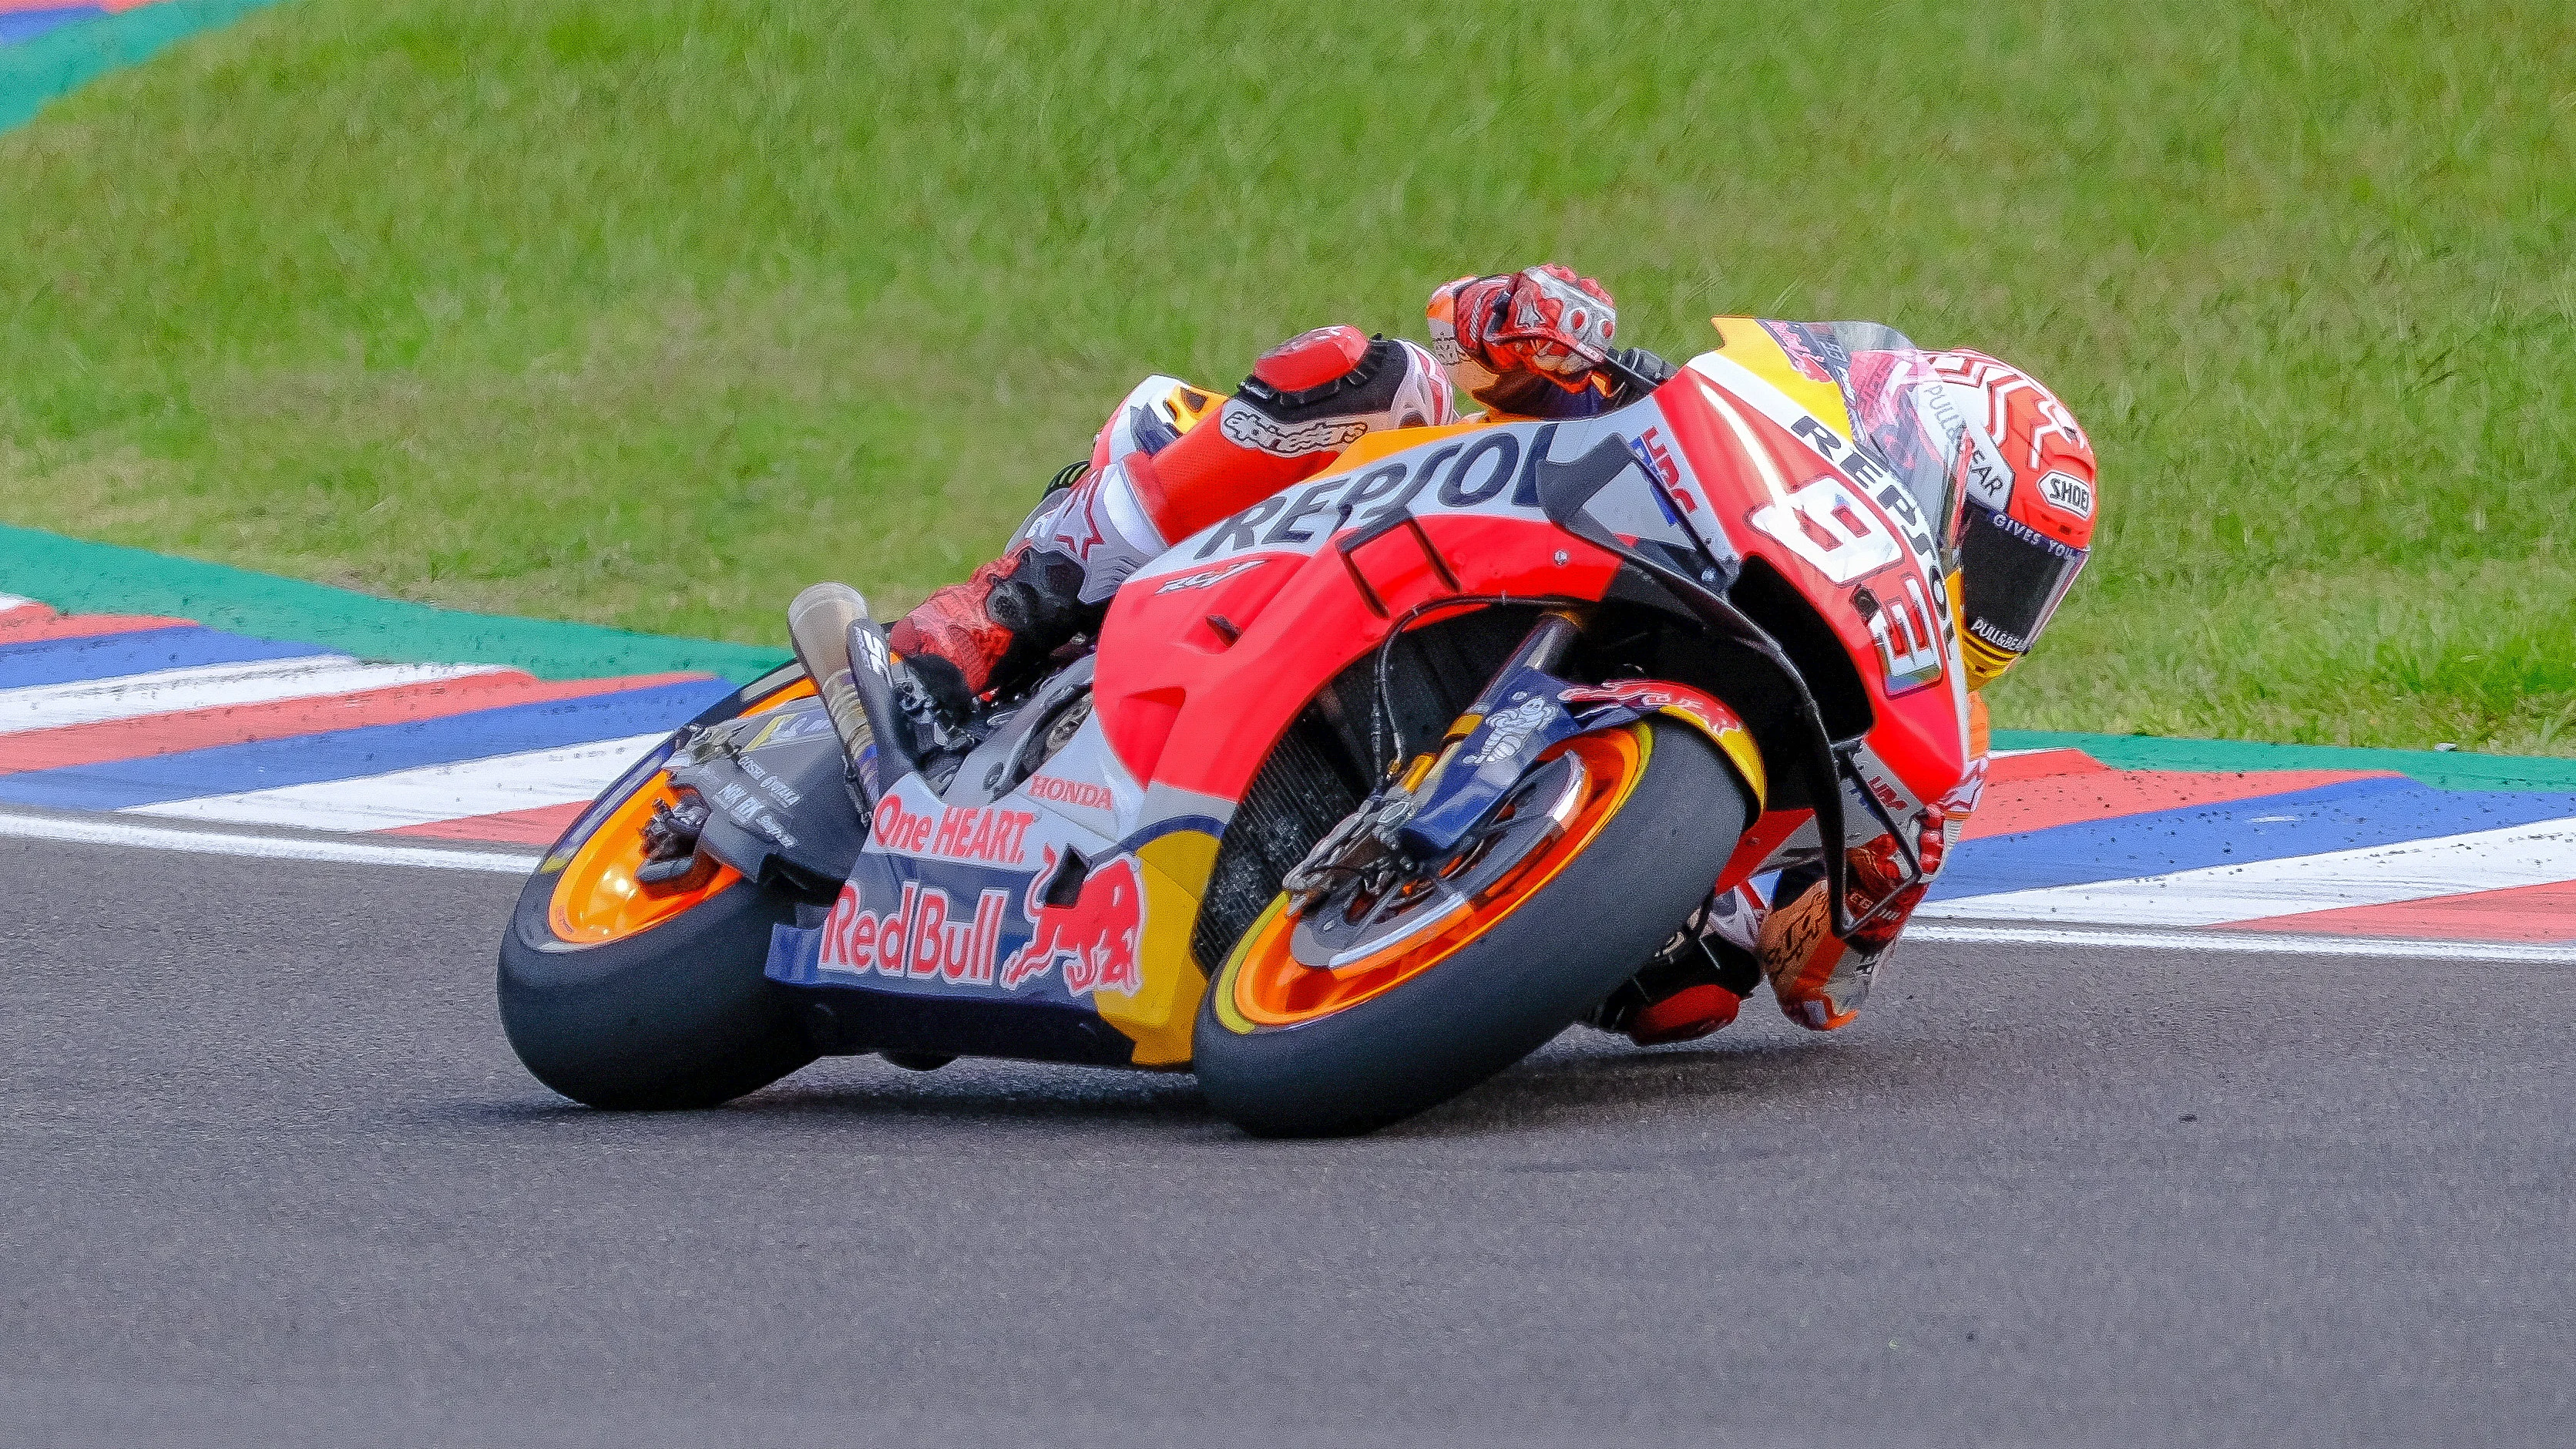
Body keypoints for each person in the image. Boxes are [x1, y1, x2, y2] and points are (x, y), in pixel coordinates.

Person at [879, 265, 2098, 1046]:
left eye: (2025, 590)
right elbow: (1467, 334)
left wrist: (1867, 907)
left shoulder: (1933, 742)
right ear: (1922, 462)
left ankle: (1409, 949)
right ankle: (989, 615)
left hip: (1565, 819)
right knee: (1360, 373)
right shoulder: (1714, 432)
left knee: (1688, 999)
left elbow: (1809, 989)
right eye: (1992, 560)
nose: (1994, 610)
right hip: (1391, 555)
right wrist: (1524, 324)